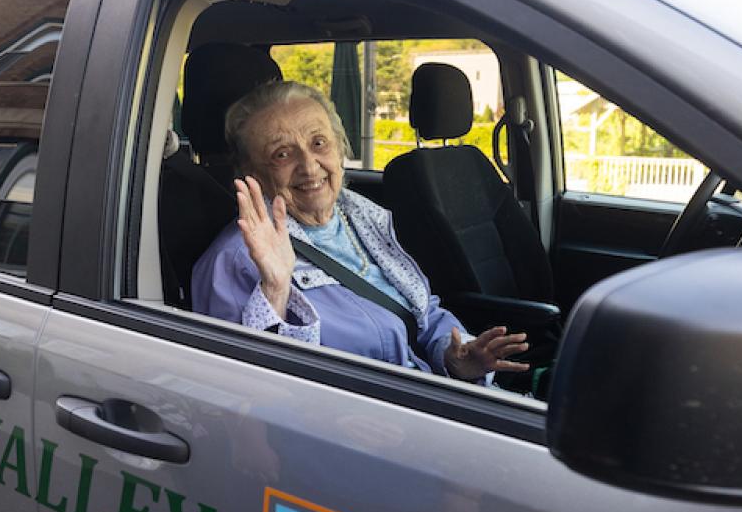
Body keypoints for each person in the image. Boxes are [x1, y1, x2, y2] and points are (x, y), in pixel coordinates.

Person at [192, 81, 527, 383]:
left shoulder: (361, 216)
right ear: (252, 172)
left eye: (319, 142)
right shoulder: (236, 260)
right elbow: (249, 388)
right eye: (282, 154)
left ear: (340, 147)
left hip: (421, 401)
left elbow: (423, 313)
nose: (309, 166)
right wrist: (276, 289)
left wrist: (456, 358)